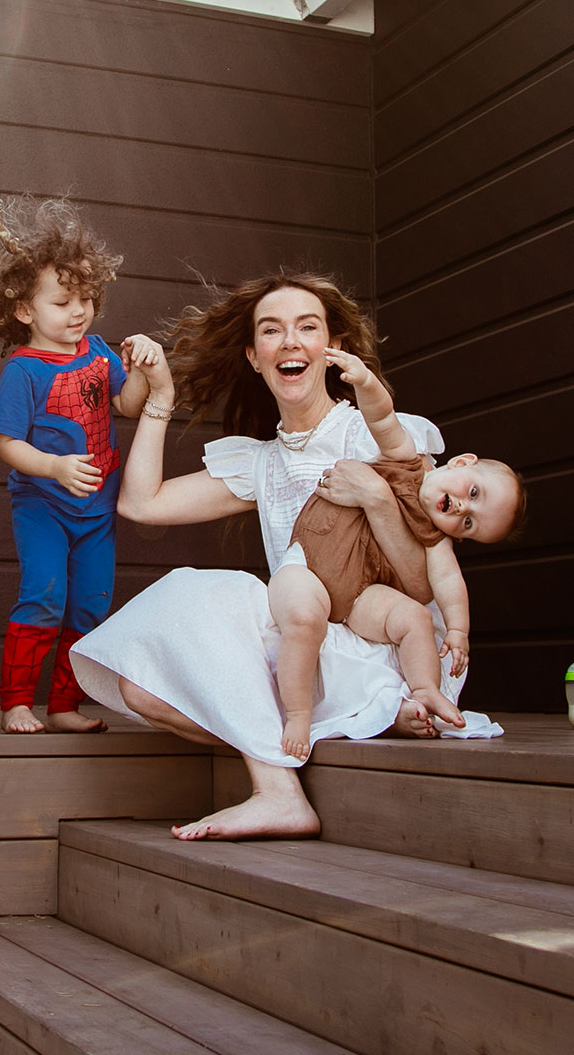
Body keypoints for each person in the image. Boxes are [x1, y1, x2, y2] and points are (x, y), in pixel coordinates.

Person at [70, 271, 502, 843]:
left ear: (334, 349)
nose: (291, 341)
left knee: (233, 601)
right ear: (255, 356)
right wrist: (160, 400)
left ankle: (282, 788)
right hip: (305, 639)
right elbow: (142, 504)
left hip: (393, 638)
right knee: (142, 690)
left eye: (308, 327)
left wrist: (375, 497)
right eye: (272, 331)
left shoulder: (380, 434)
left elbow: (423, 586)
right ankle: (314, 736)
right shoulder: (261, 463)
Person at [0, 198, 160, 734]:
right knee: (45, 594)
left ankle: (66, 704)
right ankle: (17, 703)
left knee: (92, 603)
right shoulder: (23, 371)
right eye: (63, 301)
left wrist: (139, 368)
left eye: (87, 298)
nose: (79, 311)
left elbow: (127, 405)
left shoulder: (97, 351)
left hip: (96, 508)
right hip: (44, 505)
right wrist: (52, 468)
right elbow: (6, 444)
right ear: (25, 310)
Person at [272, 344, 525, 760]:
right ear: (461, 463)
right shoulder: (406, 460)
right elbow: (382, 418)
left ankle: (425, 689)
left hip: (360, 594)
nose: (463, 509)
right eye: (474, 493)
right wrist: (366, 382)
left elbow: (449, 584)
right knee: (302, 618)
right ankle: (298, 713)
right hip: (310, 564)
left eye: (470, 523)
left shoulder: (435, 537)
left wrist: (459, 631)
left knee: (414, 617)